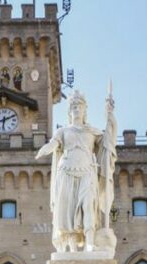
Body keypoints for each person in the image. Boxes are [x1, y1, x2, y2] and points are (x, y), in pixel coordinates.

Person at [34, 89, 118, 252]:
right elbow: (53, 144)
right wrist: (44, 150)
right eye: (73, 107)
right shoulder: (63, 132)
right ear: (69, 111)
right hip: (66, 171)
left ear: (85, 110)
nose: (77, 109)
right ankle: (72, 249)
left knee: (88, 205)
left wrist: (110, 117)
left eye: (79, 106)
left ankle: (90, 243)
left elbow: (108, 143)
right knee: (69, 211)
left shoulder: (92, 131)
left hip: (87, 172)